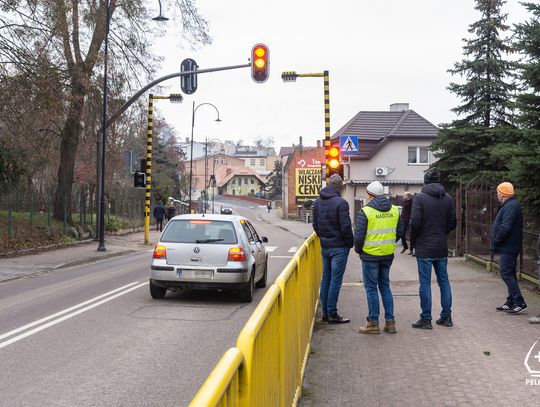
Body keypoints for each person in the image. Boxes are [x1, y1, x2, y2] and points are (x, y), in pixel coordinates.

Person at [410, 168, 457, 329]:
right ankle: (446, 316)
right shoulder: (448, 198)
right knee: (444, 281)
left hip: (424, 247)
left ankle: (426, 318)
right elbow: (453, 222)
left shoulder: (420, 198)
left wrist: (415, 240)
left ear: (425, 181)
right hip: (441, 247)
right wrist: (442, 233)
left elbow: (414, 223)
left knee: (425, 283)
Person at [354, 181, 403, 334]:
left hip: (370, 256)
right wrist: (390, 244)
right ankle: (390, 322)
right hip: (387, 255)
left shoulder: (366, 211)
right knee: (385, 287)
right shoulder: (394, 210)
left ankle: (373, 323)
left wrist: (359, 250)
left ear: (370, 195)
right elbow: (400, 230)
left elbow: (359, 235)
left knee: (371, 288)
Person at [313, 173, 354, 324]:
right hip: (339, 247)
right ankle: (332, 313)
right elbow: (345, 226)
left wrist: (323, 237)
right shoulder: (341, 203)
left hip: (325, 246)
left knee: (326, 279)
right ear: (340, 188)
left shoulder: (318, 201)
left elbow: (315, 224)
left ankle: (325, 312)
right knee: (335, 281)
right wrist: (350, 243)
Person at [491, 182, 527, 314]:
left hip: (509, 246)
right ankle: (510, 301)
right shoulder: (509, 205)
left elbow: (506, 227)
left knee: (506, 273)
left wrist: (496, 240)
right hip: (509, 245)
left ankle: (519, 302)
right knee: (510, 273)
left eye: (497, 193)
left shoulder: (510, 206)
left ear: (502, 193)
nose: (497, 195)